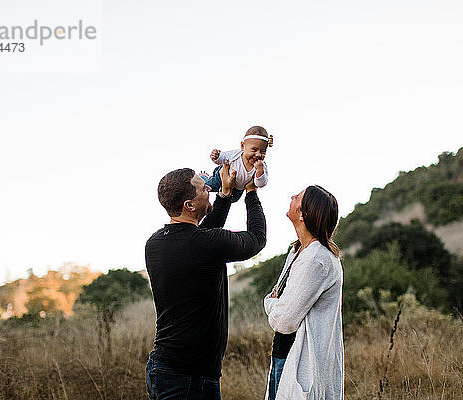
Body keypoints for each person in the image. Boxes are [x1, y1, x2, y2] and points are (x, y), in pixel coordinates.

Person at [145, 162, 266, 400]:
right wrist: (251, 193)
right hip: (189, 378)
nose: (208, 189)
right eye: (203, 189)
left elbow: (198, 237)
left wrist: (225, 195)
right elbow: (256, 239)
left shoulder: (155, 243)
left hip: (165, 369)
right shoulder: (205, 243)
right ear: (189, 205)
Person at [263, 185, 344, 400]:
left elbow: (284, 321)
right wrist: (278, 303)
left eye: (297, 197)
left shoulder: (315, 259)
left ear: (302, 214)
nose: (291, 196)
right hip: (284, 355)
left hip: (299, 362)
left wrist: (270, 304)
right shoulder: (298, 251)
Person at [201, 126, 273, 203]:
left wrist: (260, 171)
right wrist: (216, 157)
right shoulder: (236, 155)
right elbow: (222, 159)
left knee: (232, 200)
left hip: (238, 188)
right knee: (206, 187)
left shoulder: (261, 166)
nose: (258, 154)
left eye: (263, 152)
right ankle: (204, 178)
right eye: (254, 150)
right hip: (221, 178)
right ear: (243, 146)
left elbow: (260, 184)